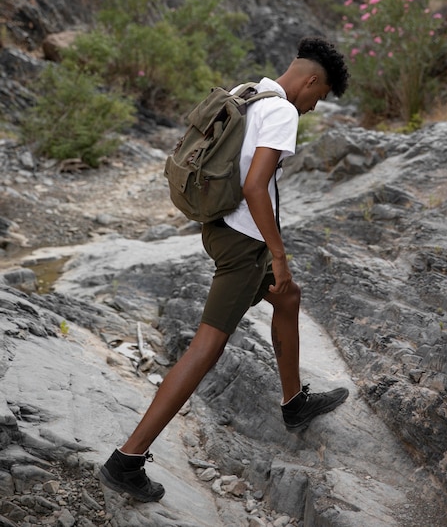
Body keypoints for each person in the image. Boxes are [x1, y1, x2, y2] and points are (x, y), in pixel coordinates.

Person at [99, 36, 351, 503]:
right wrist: (278, 254)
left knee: (287, 297)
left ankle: (294, 402)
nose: (316, 106)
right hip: (244, 245)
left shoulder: (246, 92)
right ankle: (126, 460)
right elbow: (256, 186)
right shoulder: (283, 112)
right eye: (321, 95)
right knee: (206, 348)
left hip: (218, 227)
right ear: (312, 80)